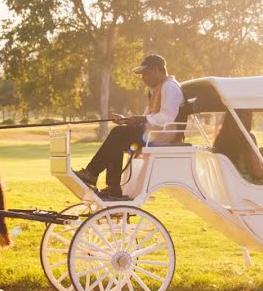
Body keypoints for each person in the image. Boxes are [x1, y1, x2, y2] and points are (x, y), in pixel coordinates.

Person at [75, 54, 184, 199]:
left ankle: (92, 173)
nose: (143, 78)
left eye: (147, 73)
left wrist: (140, 119)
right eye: (142, 74)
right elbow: (147, 117)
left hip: (165, 136)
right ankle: (112, 187)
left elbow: (167, 117)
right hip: (155, 133)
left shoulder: (169, 87)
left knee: (119, 134)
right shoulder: (157, 89)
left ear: (158, 70)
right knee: (119, 136)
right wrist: (127, 121)